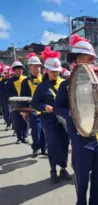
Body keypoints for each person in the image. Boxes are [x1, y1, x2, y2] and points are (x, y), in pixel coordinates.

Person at [55, 34, 98, 205]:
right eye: (90, 59)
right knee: (82, 175)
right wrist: (72, 113)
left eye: (93, 60)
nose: (93, 62)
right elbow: (58, 108)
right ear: (78, 60)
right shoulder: (66, 85)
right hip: (80, 136)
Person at [31, 46, 71, 184]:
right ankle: (53, 170)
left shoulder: (64, 84)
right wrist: (44, 107)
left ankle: (63, 168)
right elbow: (34, 103)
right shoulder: (42, 87)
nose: (56, 74)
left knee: (64, 144)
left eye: (57, 71)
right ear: (46, 70)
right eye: (53, 71)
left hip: (64, 120)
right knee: (53, 144)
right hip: (49, 120)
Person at [21, 53, 47, 157]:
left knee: (46, 130)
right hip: (33, 109)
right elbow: (24, 98)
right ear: (29, 67)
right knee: (36, 130)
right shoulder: (26, 81)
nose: (37, 68)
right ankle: (36, 147)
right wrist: (24, 111)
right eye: (35, 66)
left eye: (39, 66)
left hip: (46, 108)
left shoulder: (46, 78)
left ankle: (44, 148)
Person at [6, 60, 29, 144]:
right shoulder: (10, 81)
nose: (20, 70)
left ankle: (25, 136)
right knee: (16, 121)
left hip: (25, 103)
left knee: (25, 120)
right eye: (17, 69)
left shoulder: (26, 79)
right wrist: (14, 97)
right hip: (15, 104)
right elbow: (7, 92)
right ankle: (19, 137)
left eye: (21, 69)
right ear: (14, 70)